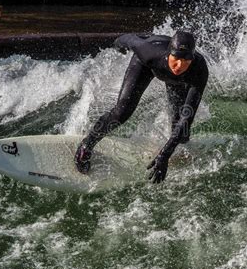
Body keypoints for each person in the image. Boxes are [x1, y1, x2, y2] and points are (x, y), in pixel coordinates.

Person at [74, 31, 209, 183]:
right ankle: (87, 145)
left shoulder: (199, 69)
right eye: (176, 58)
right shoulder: (149, 50)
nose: (180, 65)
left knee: (182, 130)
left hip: (176, 82)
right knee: (121, 112)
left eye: (186, 60)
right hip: (145, 66)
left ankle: (175, 154)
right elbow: (129, 39)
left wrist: (164, 155)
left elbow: (187, 117)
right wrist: (117, 46)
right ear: (169, 53)